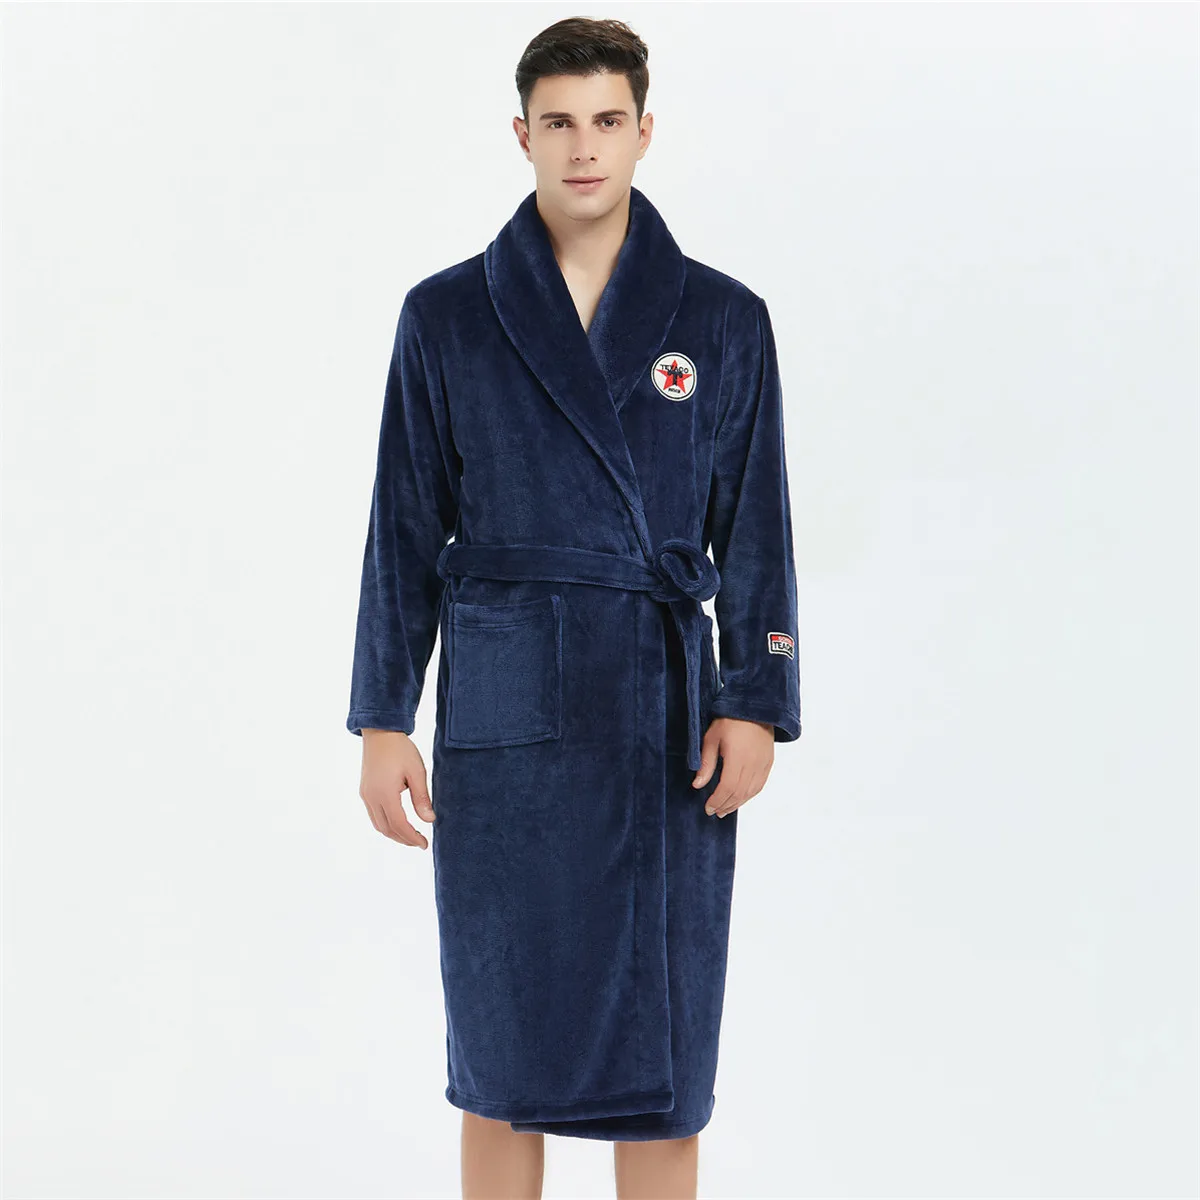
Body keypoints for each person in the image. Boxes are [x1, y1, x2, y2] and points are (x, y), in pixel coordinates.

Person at [347, 16, 801, 1199]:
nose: (583, 147)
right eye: (559, 122)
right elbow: (404, 527)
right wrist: (384, 715)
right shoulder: (446, 316)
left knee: (667, 1059)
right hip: (507, 719)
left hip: (663, 720)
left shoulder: (723, 319)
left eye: (607, 120)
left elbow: (755, 524)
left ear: (646, 131)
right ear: (522, 135)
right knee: (503, 1051)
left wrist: (756, 698)